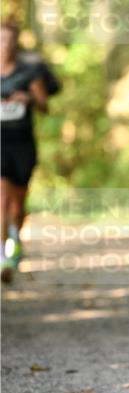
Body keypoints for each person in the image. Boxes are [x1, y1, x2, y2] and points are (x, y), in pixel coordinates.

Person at [1, 18, 50, 283]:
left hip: (23, 143)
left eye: (8, 40)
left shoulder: (28, 72)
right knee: (1, 200)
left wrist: (28, 98)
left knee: (18, 206)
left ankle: (15, 238)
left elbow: (45, 106)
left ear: (15, 44)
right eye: (0, 40)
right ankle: (2, 257)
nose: (4, 45)